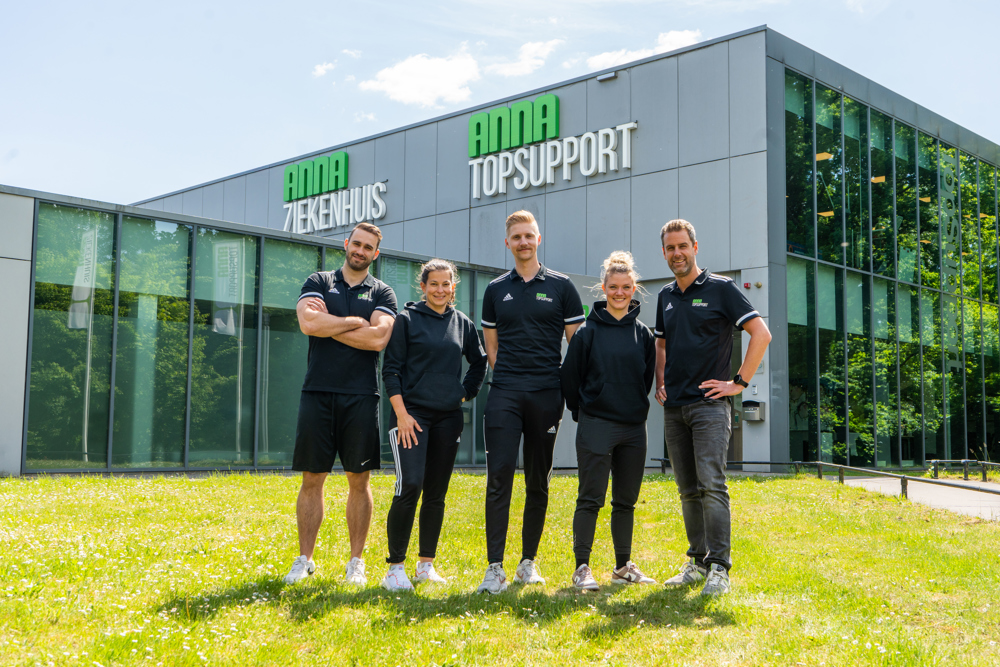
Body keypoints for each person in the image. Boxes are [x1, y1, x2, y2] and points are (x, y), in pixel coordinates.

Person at [654, 219, 771, 596]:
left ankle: (719, 567)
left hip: (709, 408)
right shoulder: (666, 297)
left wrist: (738, 383)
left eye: (682, 246)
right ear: (665, 253)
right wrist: (661, 382)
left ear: (695, 246)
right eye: (670, 248)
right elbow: (661, 345)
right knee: (687, 489)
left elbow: (761, 334)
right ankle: (697, 562)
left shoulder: (722, 289)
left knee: (711, 485)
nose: (677, 253)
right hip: (675, 409)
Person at [283, 222, 397, 586]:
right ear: (346, 244)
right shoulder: (319, 281)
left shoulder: (383, 291)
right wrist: (352, 321)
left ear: (375, 254)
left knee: (358, 481)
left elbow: (379, 338)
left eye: (369, 247)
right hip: (317, 391)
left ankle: (356, 562)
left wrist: (329, 324)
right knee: (312, 478)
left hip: (361, 395)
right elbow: (306, 322)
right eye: (357, 244)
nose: (361, 251)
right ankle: (304, 559)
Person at [477, 210, 585, 594]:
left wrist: (568, 387)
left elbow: (577, 343)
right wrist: (507, 376)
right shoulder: (495, 290)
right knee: (499, 478)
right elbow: (491, 345)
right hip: (504, 392)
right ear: (507, 243)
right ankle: (494, 567)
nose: (523, 242)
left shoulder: (562, 286)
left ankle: (527, 563)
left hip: (546, 394)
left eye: (529, 236)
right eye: (516, 237)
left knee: (538, 480)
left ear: (539, 239)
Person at [379, 259, 488, 591]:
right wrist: (401, 413)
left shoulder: (462, 323)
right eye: (434, 284)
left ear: (453, 287)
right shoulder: (407, 320)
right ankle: (394, 569)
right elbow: (391, 370)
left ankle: (426, 565)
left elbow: (480, 360)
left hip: (448, 418)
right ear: (423, 287)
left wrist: (464, 394)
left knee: (436, 494)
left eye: (446, 284)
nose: (440, 289)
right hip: (412, 417)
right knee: (409, 485)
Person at [560, 251, 657, 591]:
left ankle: (622, 566)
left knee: (625, 501)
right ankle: (582, 568)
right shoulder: (587, 332)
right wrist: (584, 410)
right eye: (613, 287)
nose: (619, 293)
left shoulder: (643, 334)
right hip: (596, 424)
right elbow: (570, 378)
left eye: (626, 287)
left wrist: (628, 404)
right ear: (603, 288)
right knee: (590, 498)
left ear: (634, 289)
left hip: (633, 428)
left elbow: (644, 378)